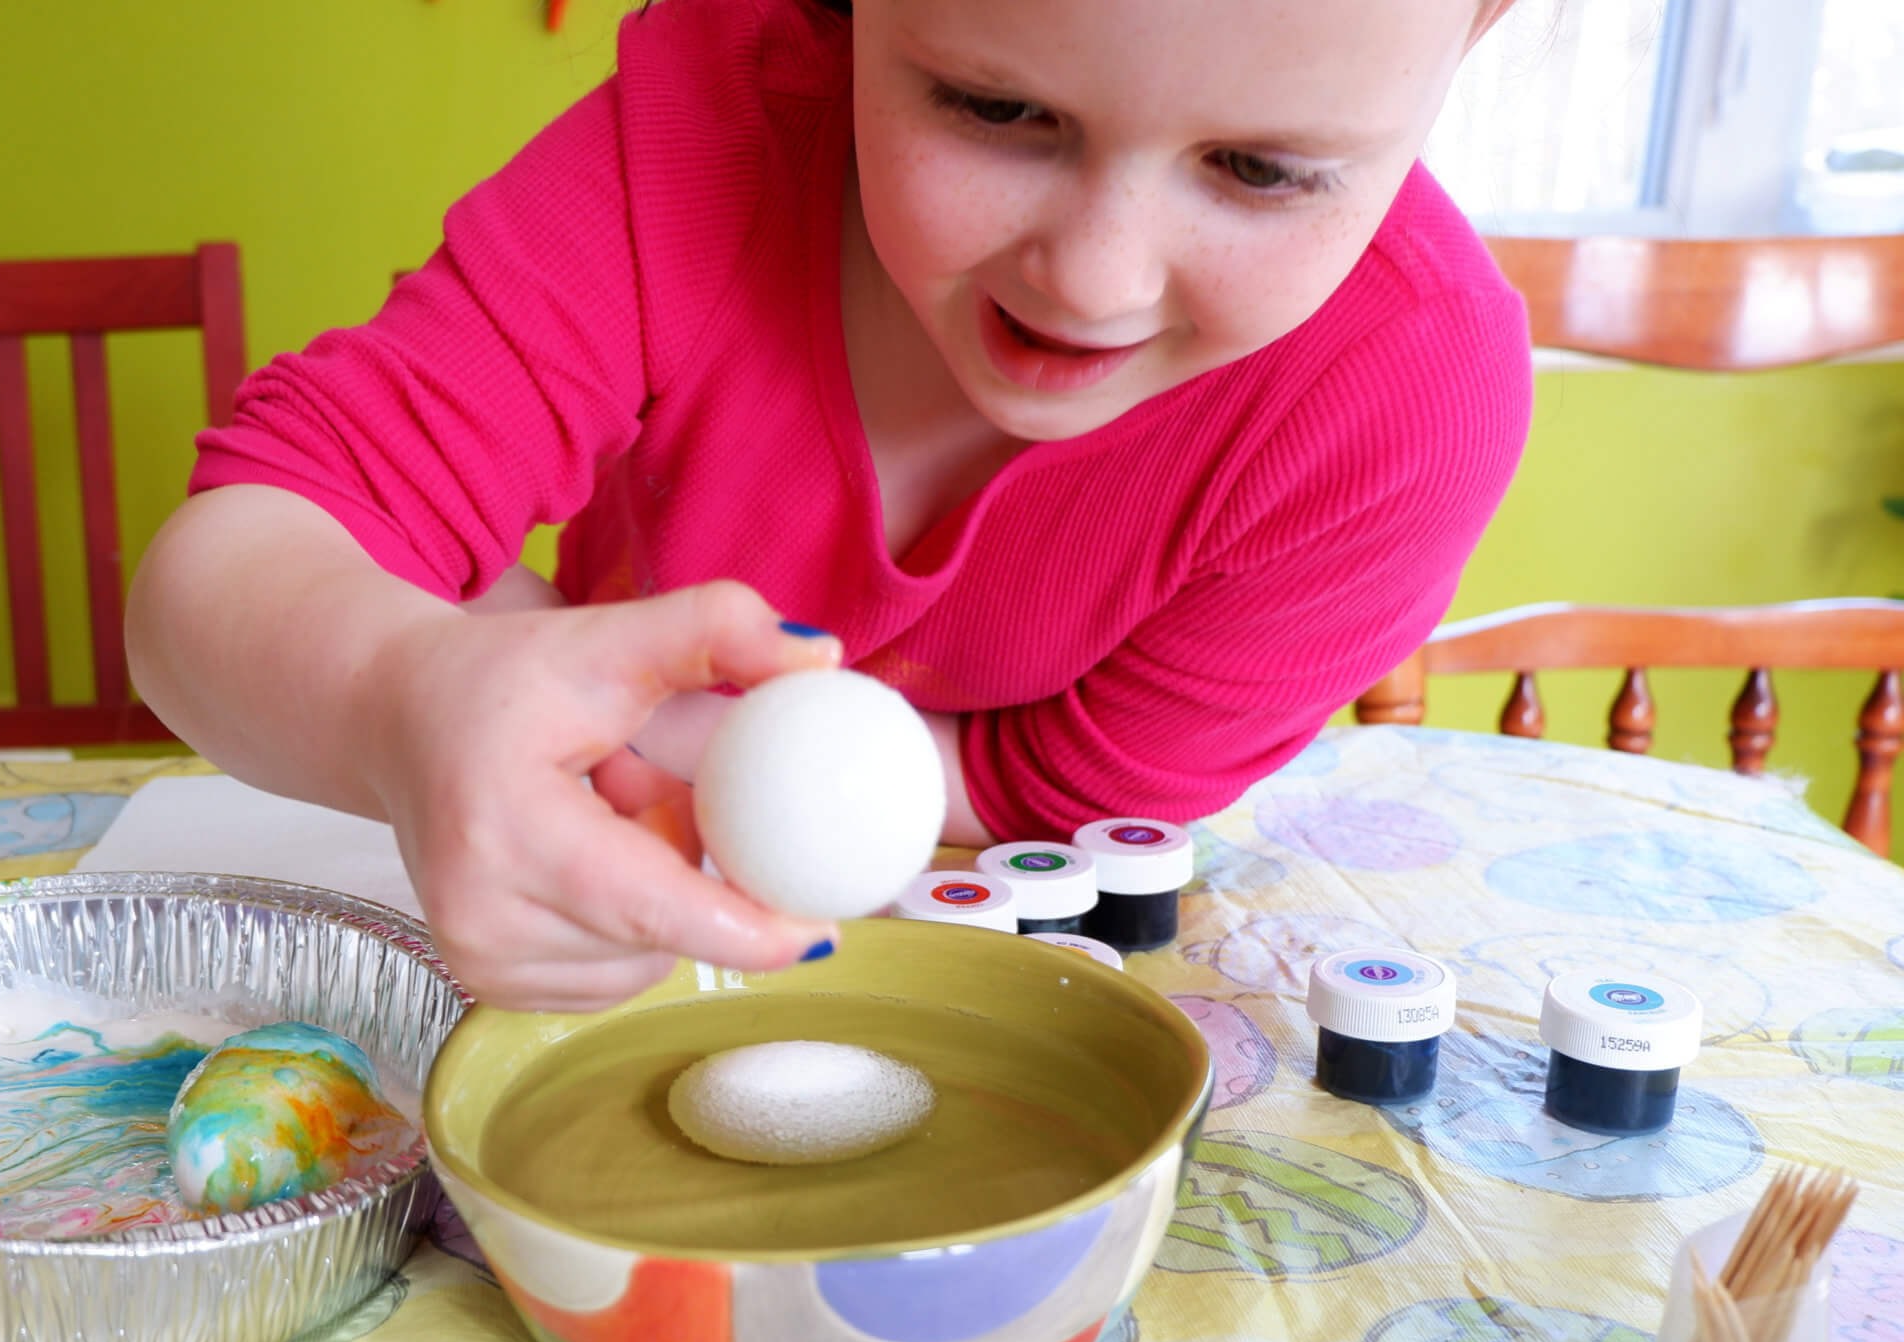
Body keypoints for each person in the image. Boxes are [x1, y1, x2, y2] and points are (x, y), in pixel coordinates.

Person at [126, 0, 1531, 1011]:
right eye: (996, 108)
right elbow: (225, 568)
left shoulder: (1405, 403)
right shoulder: (697, 144)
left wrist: (571, 678)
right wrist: (396, 693)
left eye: (1263, 171)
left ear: (1479, 32)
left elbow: (1077, 792)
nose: (1096, 279)